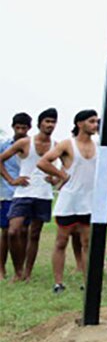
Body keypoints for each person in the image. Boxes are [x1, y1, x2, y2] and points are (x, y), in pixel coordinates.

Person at [37, 110, 100, 294]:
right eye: (91, 121)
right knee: (61, 241)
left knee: (87, 242)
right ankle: (58, 283)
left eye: (96, 122)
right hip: (69, 201)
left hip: (88, 201)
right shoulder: (67, 144)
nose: (95, 125)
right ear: (80, 123)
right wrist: (60, 174)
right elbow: (43, 162)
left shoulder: (98, 145)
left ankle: (87, 282)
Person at [0, 108, 58, 282]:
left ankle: (27, 273)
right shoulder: (25, 143)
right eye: (47, 121)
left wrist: (56, 178)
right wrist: (11, 180)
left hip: (44, 194)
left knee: (34, 234)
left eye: (53, 122)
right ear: (40, 124)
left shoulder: (57, 145)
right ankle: (17, 270)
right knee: (13, 231)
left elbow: (69, 164)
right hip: (22, 193)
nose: (50, 125)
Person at [0, 113, 31, 278]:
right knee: (7, 232)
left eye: (24, 128)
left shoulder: (33, 146)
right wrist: (10, 180)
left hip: (27, 194)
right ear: (13, 127)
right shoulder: (4, 146)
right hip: (8, 193)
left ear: (29, 129)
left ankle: (21, 267)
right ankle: (2, 268)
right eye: (17, 127)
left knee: (25, 231)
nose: (20, 130)